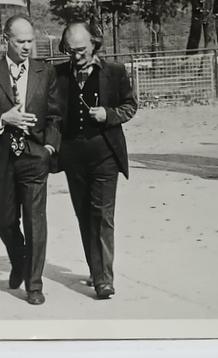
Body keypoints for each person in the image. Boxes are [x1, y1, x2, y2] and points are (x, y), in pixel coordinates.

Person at [0, 16, 61, 306]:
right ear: (5, 40)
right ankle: (19, 259)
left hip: (35, 156)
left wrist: (49, 147)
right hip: (0, 157)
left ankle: (34, 284)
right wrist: (2, 118)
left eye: (30, 41)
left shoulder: (45, 72)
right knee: (5, 220)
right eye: (21, 41)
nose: (27, 46)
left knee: (36, 223)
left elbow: (56, 115)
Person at [52, 21, 138, 300]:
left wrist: (109, 115)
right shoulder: (57, 75)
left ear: (95, 43)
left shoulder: (114, 72)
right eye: (70, 50)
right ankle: (95, 268)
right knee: (84, 215)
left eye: (81, 49)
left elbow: (130, 106)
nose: (76, 55)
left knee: (102, 215)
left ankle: (103, 280)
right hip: (73, 155)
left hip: (105, 154)